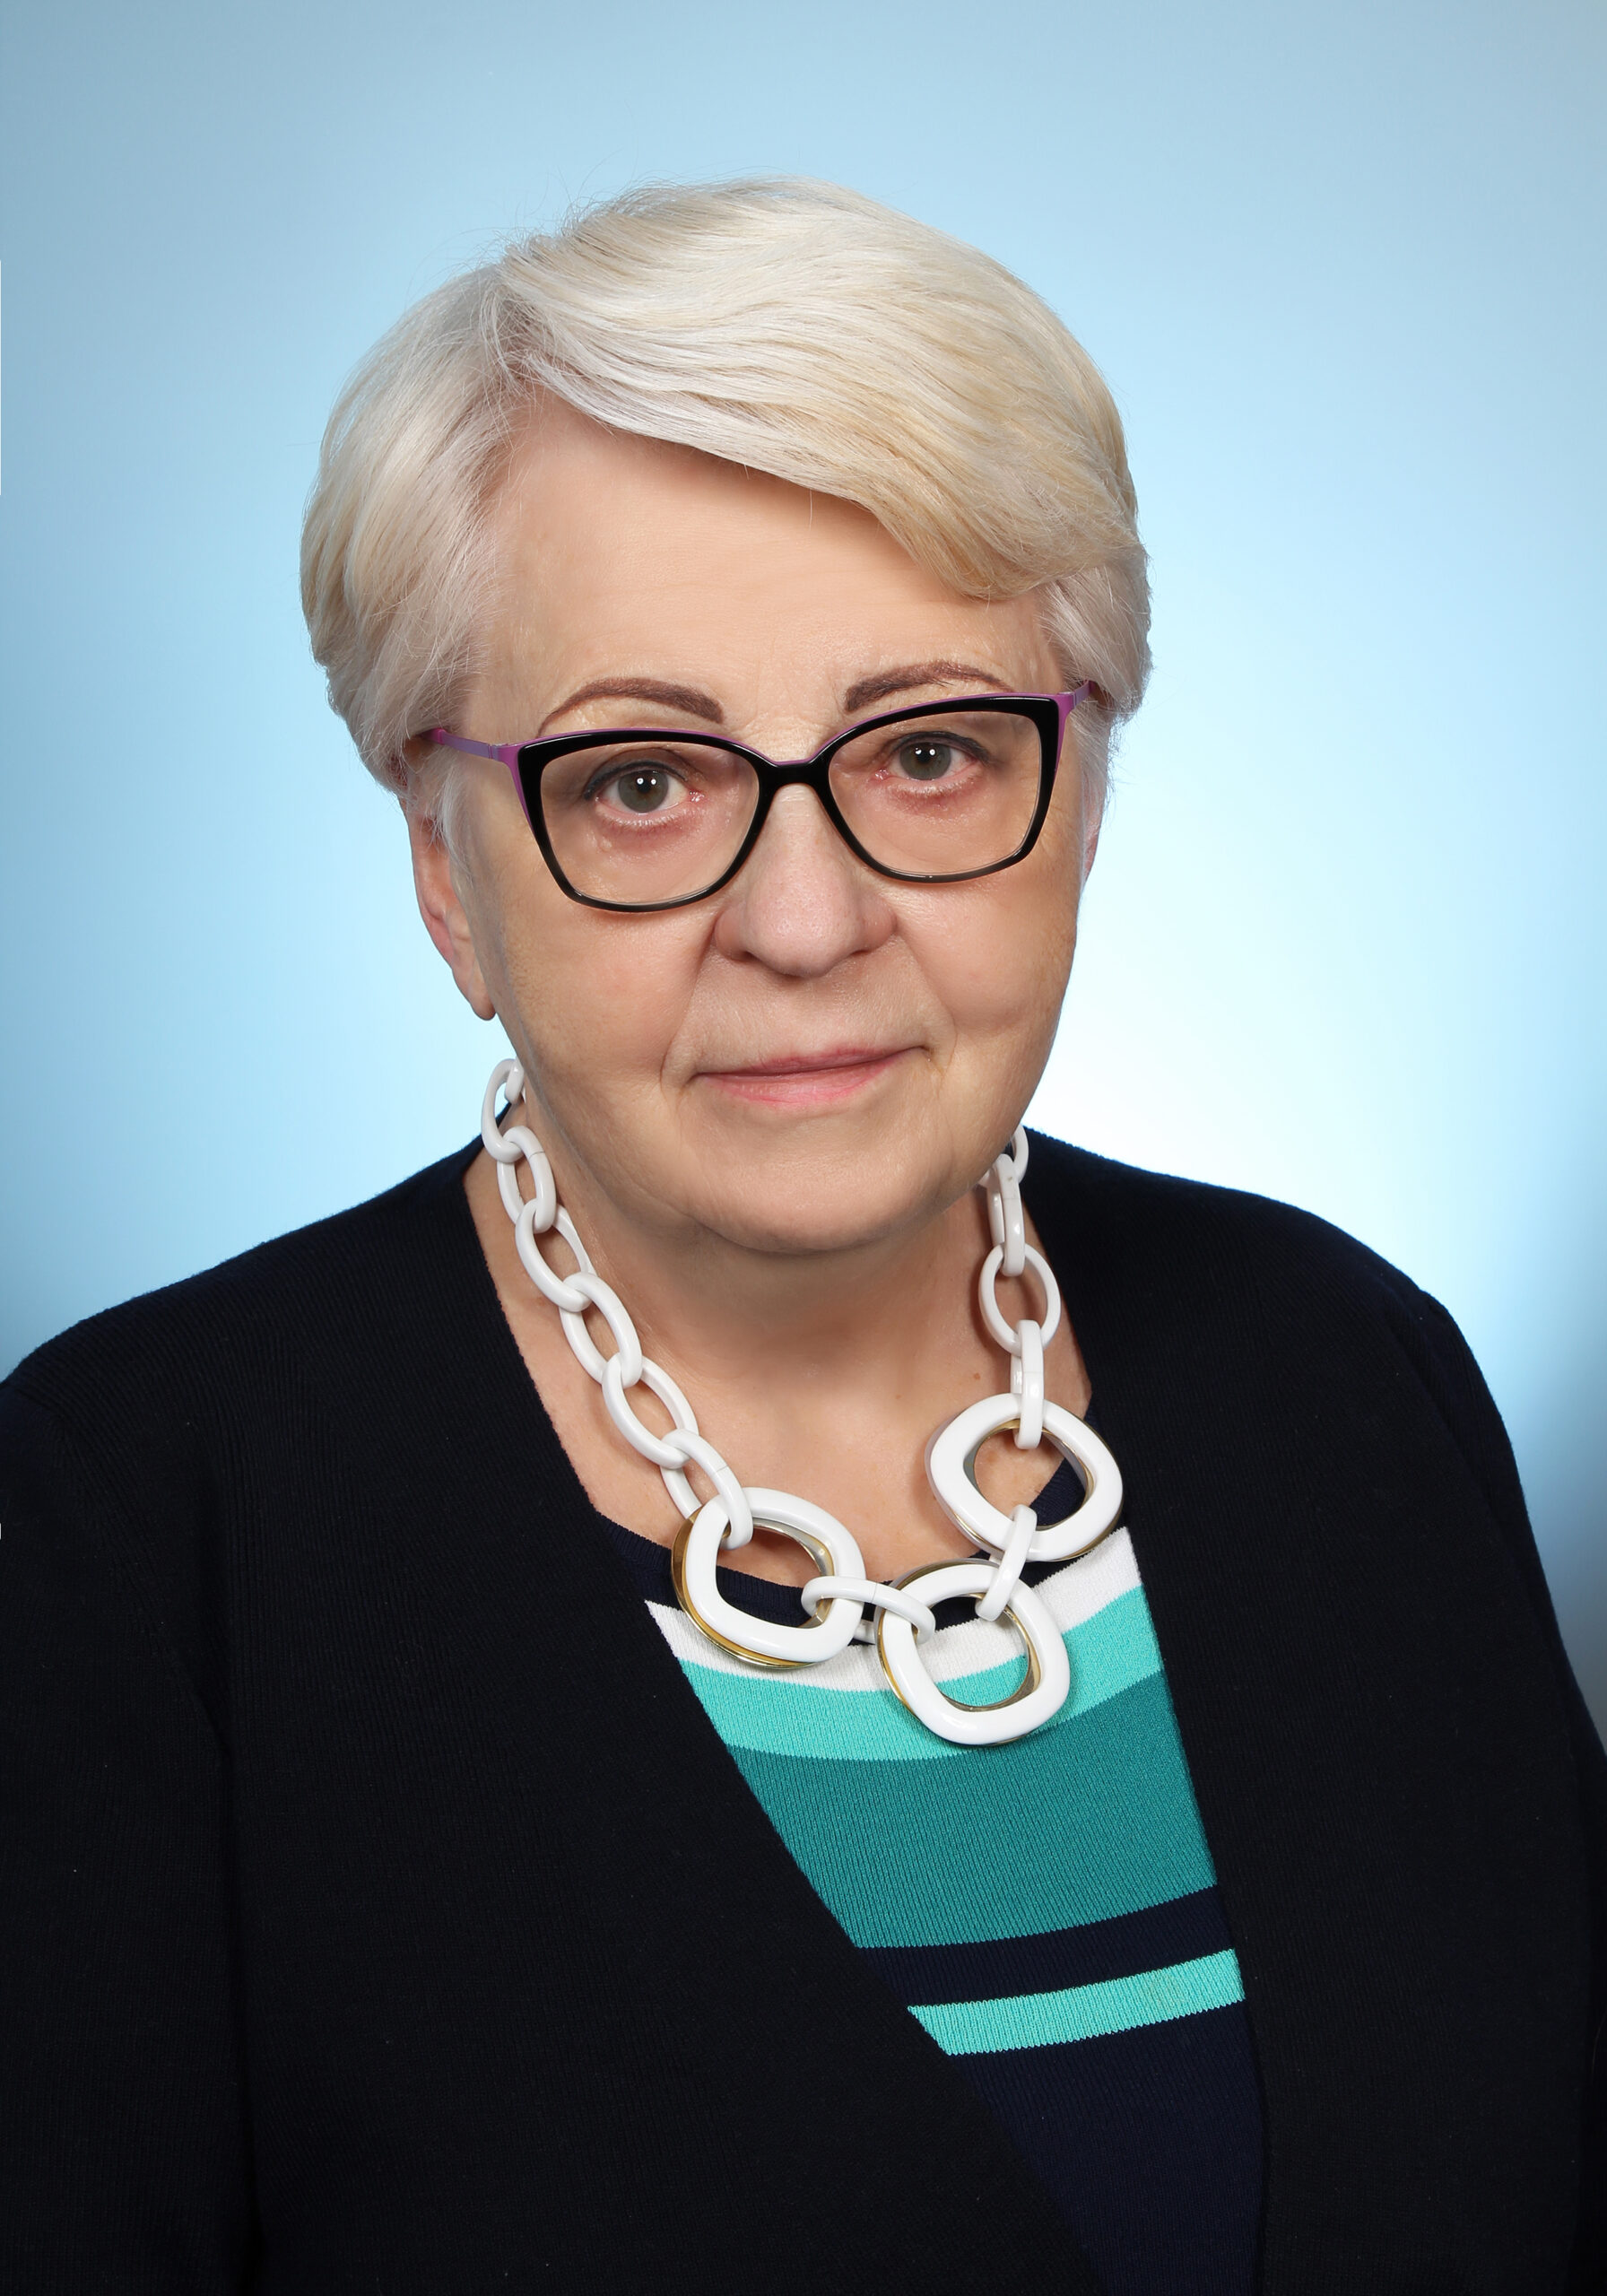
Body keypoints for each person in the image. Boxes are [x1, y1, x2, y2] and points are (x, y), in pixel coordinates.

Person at [1, 178, 1601, 2296]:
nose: (802, 916)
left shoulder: (1342, 1365)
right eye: (640, 780)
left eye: (925, 749)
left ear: (1083, 793)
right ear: (445, 864)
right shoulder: (132, 1520)